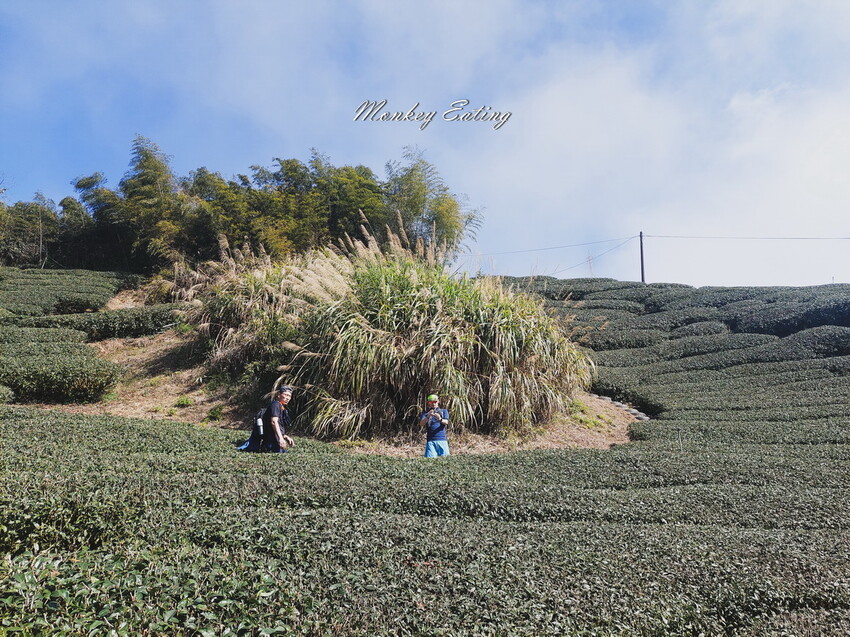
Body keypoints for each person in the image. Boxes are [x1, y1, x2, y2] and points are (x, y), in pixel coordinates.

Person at [238, 385, 296, 453]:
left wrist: (285, 437)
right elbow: (274, 422)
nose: (287, 398)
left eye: (289, 396)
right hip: (272, 444)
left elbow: (275, 427)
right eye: (286, 395)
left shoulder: (282, 408)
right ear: (279, 395)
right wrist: (281, 439)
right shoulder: (275, 405)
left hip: (274, 443)